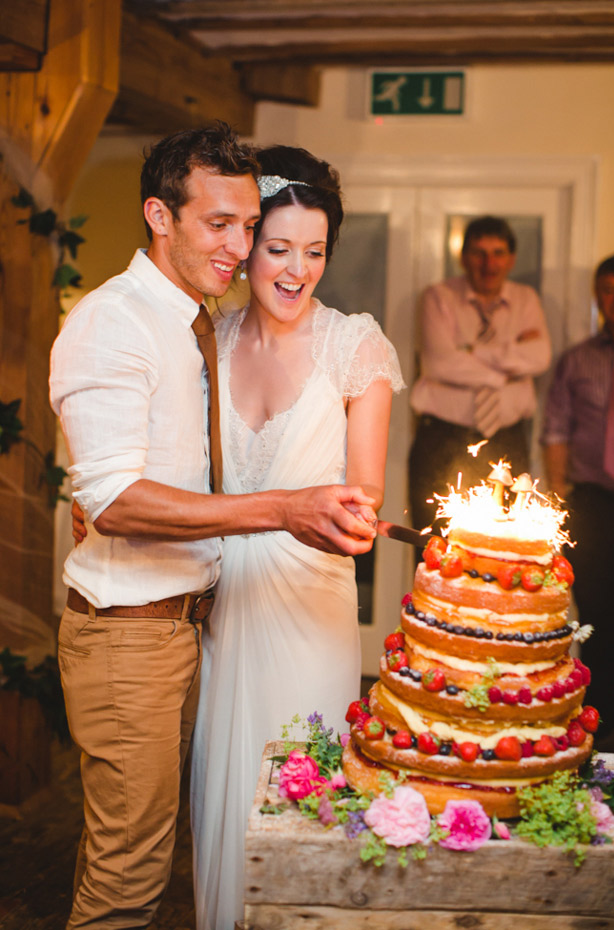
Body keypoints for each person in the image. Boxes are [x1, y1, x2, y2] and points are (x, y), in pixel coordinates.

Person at [49, 124, 378, 930]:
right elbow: (119, 493)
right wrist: (281, 508)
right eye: (223, 227)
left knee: (167, 852)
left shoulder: (193, 323)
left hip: (196, 626)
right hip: (133, 631)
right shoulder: (116, 321)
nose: (240, 250)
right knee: (128, 874)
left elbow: (158, 466)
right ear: (161, 217)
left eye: (244, 226)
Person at [189, 145, 405, 930]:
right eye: (278, 248)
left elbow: (366, 494)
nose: (296, 269)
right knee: (223, 792)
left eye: (314, 252)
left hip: (308, 608)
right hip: (221, 606)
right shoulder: (208, 337)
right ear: (247, 244)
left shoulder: (357, 347)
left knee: (300, 802)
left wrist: (358, 517)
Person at [408, 215, 551, 536]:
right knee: (437, 546)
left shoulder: (526, 300)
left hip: (508, 440)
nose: (489, 264)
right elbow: (440, 364)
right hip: (442, 441)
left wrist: (472, 351)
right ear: (463, 257)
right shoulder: (438, 297)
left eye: (498, 253)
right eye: (478, 253)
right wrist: (509, 368)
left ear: (511, 259)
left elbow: (540, 357)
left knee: (508, 543)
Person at [541, 252, 614, 753]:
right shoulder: (577, 359)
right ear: (597, 296)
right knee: (595, 613)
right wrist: (560, 498)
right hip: (591, 504)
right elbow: (555, 431)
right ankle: (601, 719)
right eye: (608, 290)